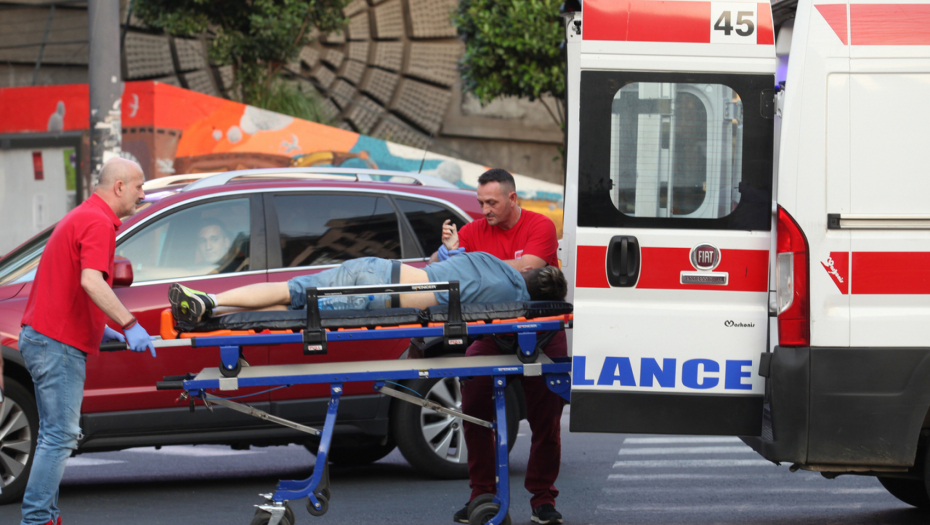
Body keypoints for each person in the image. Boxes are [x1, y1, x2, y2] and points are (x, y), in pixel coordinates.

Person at [18, 157, 157, 525]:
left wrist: (102, 327)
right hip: (56, 344)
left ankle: (44, 515)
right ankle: (37, 520)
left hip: (45, 338)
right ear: (119, 187)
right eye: (140, 186)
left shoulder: (85, 214)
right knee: (60, 436)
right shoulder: (98, 222)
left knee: (54, 434)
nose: (143, 194)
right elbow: (91, 282)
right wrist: (129, 324)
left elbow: (70, 284)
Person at [437, 169, 566, 525]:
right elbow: (439, 268)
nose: (484, 210)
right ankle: (481, 495)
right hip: (493, 334)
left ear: (512, 198)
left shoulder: (540, 226)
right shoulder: (473, 230)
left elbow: (529, 270)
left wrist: (470, 265)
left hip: (540, 332)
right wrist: (447, 253)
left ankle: (542, 500)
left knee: (547, 420)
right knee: (474, 405)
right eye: (480, 203)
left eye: (491, 202)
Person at [168, 251, 566, 325]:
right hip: (382, 296)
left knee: (291, 291)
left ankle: (213, 304)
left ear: (531, 270)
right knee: (291, 309)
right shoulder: (514, 301)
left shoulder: (488, 261)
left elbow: (443, 264)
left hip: (381, 267)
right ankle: (213, 311)